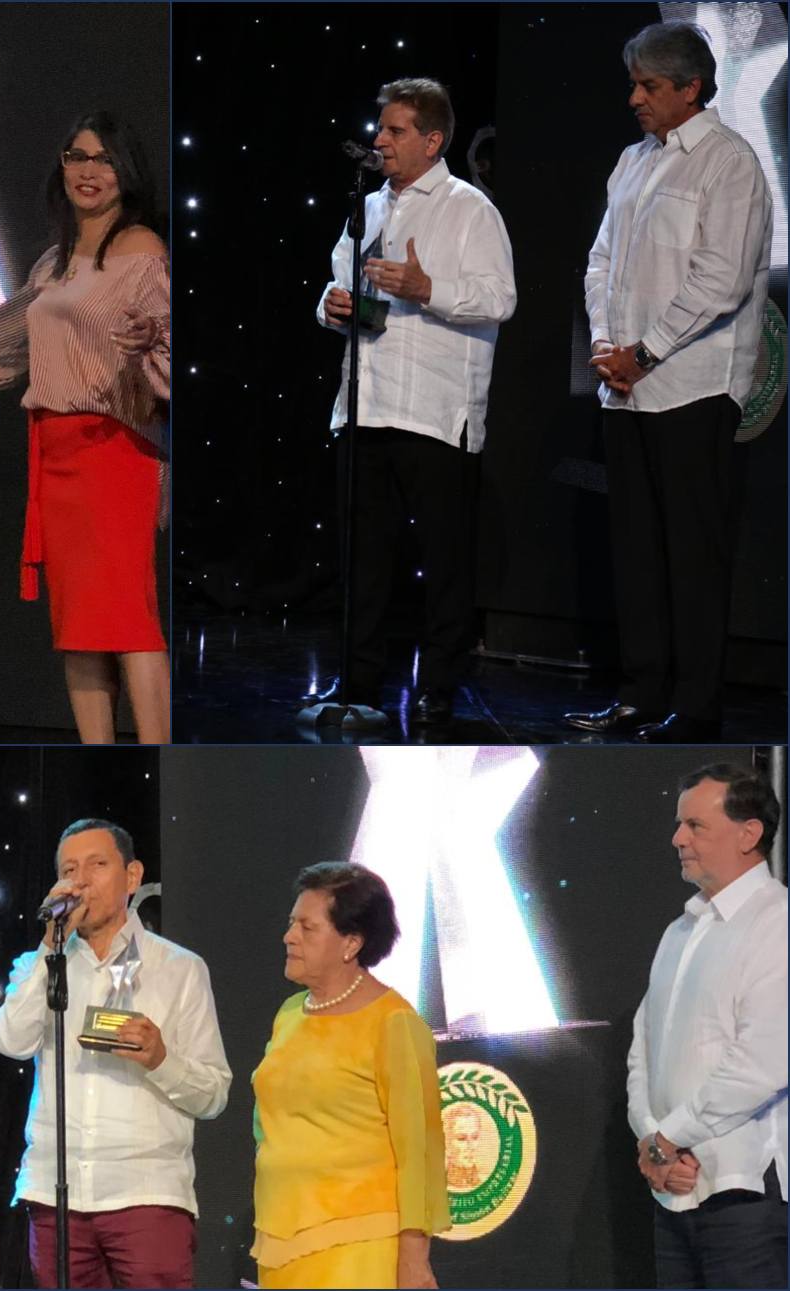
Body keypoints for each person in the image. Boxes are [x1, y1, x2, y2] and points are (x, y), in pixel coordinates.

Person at [0, 112, 170, 744]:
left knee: (128, 620)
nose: (88, 171)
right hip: (55, 454)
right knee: (78, 625)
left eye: (103, 159)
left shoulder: (143, 250)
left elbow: (167, 341)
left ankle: (155, 753)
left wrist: (150, 338)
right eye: (77, 157)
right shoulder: (54, 261)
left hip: (115, 451)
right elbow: (4, 334)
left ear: (125, 172)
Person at [564, 21, 773, 743]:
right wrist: (604, 343)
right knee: (636, 554)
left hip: (692, 389)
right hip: (625, 390)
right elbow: (600, 261)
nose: (634, 99)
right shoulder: (631, 161)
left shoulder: (729, 161)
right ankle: (640, 694)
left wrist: (644, 353)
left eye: (649, 86)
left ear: (691, 88)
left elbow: (721, 280)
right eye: (634, 84)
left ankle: (696, 704)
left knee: (692, 555)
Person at [316, 78, 515, 727]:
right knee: (363, 560)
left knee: (443, 562)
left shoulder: (470, 209)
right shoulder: (368, 208)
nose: (379, 139)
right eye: (380, 127)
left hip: (435, 411)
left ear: (432, 141)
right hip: (366, 406)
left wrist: (428, 287)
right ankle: (357, 682)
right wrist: (330, 305)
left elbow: (500, 298)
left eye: (395, 130)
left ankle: (440, 686)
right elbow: (336, 284)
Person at [0, 818, 230, 1289]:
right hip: (56, 1194)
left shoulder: (178, 968)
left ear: (132, 877)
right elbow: (9, 1040)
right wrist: (49, 947)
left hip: (146, 1192)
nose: (80, 881)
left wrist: (161, 1059)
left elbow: (214, 1094)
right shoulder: (39, 965)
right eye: (69, 870)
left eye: (97, 865)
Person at [252, 862, 449, 1289]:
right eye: (291, 923)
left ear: (351, 943)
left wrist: (414, 1259)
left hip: (360, 1245)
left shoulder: (393, 1023)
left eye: (307, 927)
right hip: (280, 1243)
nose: (289, 936)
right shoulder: (289, 1015)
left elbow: (420, 1153)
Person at [627, 763, 786, 1288]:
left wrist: (668, 1138)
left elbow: (763, 1064)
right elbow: (643, 1048)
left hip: (747, 1200)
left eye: (695, 825)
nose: (678, 839)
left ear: (749, 834)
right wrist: (653, 1143)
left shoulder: (778, 922)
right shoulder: (680, 930)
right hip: (674, 1193)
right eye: (680, 824)